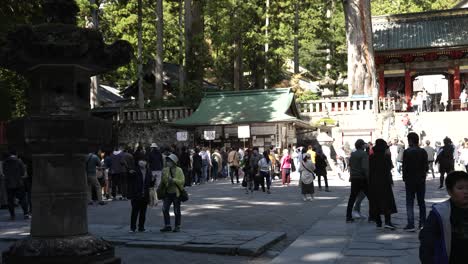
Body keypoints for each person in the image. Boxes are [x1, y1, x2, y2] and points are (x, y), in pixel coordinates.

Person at [419, 171, 468, 263]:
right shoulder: (440, 213)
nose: (466, 192)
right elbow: (427, 241)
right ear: (450, 191)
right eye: (460, 188)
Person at [368, 139, 397, 230]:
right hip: (384, 182)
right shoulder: (386, 156)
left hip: (374, 182)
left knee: (376, 201)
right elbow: (389, 169)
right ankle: (387, 221)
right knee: (386, 201)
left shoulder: (371, 157)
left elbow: (369, 170)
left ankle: (378, 222)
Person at [402, 132, 428, 231]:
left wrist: (404, 178)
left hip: (410, 180)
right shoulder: (423, 151)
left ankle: (411, 223)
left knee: (409, 202)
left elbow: (405, 167)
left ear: (410, 140)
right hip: (421, 179)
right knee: (421, 202)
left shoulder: (407, 152)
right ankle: (422, 223)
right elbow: (426, 166)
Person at [128, 153, 154, 232]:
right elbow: (129, 180)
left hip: (145, 195)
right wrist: (129, 173)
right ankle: (132, 228)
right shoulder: (134, 170)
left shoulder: (149, 171)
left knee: (143, 213)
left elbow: (150, 184)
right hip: (136, 194)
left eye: (144, 160)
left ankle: (141, 227)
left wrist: (153, 180)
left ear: (146, 162)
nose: (142, 162)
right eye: (141, 160)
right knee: (134, 212)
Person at [160, 154, 185, 233]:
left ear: (174, 162)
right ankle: (167, 225)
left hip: (176, 193)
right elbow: (163, 181)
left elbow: (182, 181)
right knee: (165, 209)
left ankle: (177, 226)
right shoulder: (165, 170)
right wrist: (167, 182)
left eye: (170, 161)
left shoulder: (179, 170)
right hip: (167, 192)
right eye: (167, 161)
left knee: (176, 210)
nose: (168, 162)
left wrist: (173, 180)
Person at [346, 139, 369, 223]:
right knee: (370, 197)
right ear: (362, 145)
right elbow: (365, 167)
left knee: (352, 198)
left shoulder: (353, 154)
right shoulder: (364, 154)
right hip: (362, 178)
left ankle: (348, 217)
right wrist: (368, 177)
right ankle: (373, 216)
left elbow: (350, 166)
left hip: (354, 178)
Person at [2, 150, 29, 220]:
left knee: (10, 200)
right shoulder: (19, 161)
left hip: (8, 184)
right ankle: (26, 214)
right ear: (16, 154)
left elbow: (4, 172)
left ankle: (12, 215)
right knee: (22, 199)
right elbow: (23, 172)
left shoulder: (5, 162)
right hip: (19, 183)